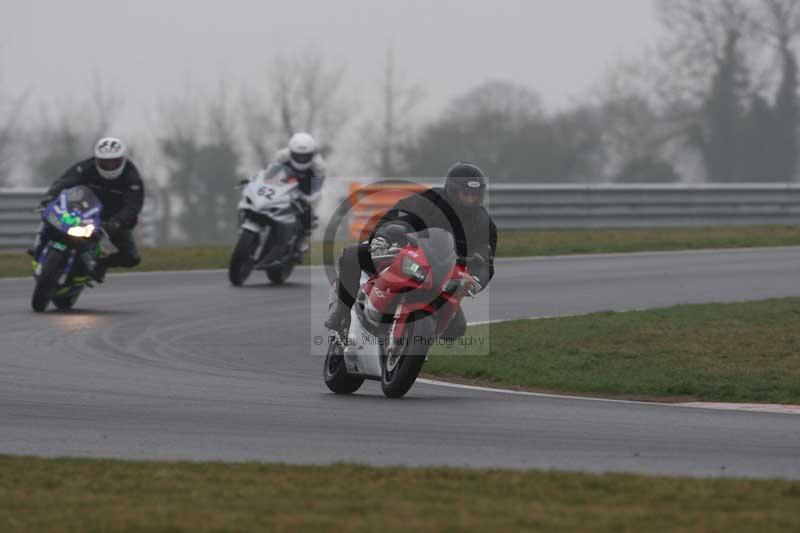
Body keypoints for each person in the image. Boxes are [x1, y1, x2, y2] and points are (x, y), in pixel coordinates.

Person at [325, 162, 497, 338]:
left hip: (443, 274)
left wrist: (476, 280)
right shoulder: (428, 201)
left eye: (474, 195)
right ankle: (342, 313)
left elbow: (486, 260)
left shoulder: (484, 223)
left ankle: (415, 346)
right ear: (452, 190)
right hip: (405, 256)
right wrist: (382, 238)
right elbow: (396, 215)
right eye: (465, 193)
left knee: (457, 328)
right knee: (352, 254)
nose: (470, 199)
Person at [33, 136, 144, 282]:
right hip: (83, 208)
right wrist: (49, 197)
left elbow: (133, 206)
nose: (109, 165)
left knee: (132, 258)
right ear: (97, 159)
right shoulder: (87, 166)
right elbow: (65, 181)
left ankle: (100, 264)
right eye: (104, 162)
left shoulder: (132, 177)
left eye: (113, 161)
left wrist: (116, 223)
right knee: (51, 217)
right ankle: (39, 246)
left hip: (113, 218)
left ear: (122, 160)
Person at [271, 132, 326, 253]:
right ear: (291, 152)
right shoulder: (281, 156)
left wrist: (309, 198)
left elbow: (317, 187)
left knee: (309, 212)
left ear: (312, 154)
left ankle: (302, 239)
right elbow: (270, 173)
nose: (301, 159)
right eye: (298, 156)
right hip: (284, 182)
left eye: (305, 156)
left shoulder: (319, 165)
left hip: (306, 187)